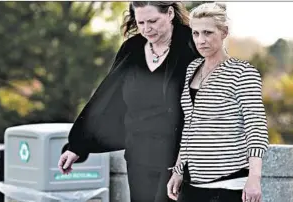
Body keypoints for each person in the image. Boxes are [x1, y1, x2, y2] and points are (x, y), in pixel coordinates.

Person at [57, 2, 201, 202]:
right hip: (138, 157)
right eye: (140, 22)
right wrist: (77, 146)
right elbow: (107, 99)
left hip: (180, 159)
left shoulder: (194, 43)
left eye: (152, 21)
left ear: (169, 13)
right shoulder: (132, 49)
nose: (146, 28)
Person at [166, 2, 269, 202]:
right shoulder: (192, 69)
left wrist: (254, 178)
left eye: (207, 33)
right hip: (192, 184)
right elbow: (190, 125)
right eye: (195, 34)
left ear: (224, 32)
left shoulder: (242, 73)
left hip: (227, 185)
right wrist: (178, 170)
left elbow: (256, 127)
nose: (201, 40)